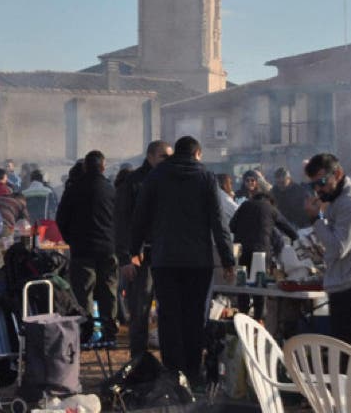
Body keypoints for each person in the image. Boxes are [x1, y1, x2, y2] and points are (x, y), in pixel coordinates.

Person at [131, 135, 235, 385]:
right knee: (195, 315)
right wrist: (228, 258)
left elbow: (140, 216)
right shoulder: (207, 178)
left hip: (164, 259)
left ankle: (172, 372)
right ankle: (192, 370)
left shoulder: (156, 176)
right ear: (197, 154)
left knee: (169, 316)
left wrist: (134, 249)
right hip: (198, 261)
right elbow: (218, 223)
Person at [302, 152, 351, 350]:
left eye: (322, 182)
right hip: (344, 280)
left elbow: (337, 247)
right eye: (314, 185)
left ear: (338, 174)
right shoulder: (338, 199)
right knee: (342, 352)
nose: (319, 189)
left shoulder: (350, 202)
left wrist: (315, 220)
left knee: (350, 355)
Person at [57, 150, 119, 348]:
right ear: (103, 166)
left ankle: (86, 333)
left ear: (85, 167)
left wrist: (71, 239)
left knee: (84, 292)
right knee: (109, 290)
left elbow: (61, 219)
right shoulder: (111, 190)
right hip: (109, 248)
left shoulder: (74, 189)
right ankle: (110, 333)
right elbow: (121, 219)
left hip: (82, 249)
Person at [116, 139, 171, 357]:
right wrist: (125, 257)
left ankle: (168, 362)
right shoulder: (133, 182)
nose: (168, 161)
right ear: (150, 156)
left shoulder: (171, 181)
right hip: (140, 256)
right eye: (163, 156)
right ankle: (138, 361)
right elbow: (121, 222)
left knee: (167, 310)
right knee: (139, 310)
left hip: (166, 255)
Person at [232, 191, 299, 321]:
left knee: (242, 284)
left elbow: (232, 226)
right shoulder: (270, 208)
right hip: (261, 251)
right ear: (270, 201)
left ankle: (242, 316)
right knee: (259, 286)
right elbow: (289, 229)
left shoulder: (244, 205)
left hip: (241, 251)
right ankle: (258, 318)